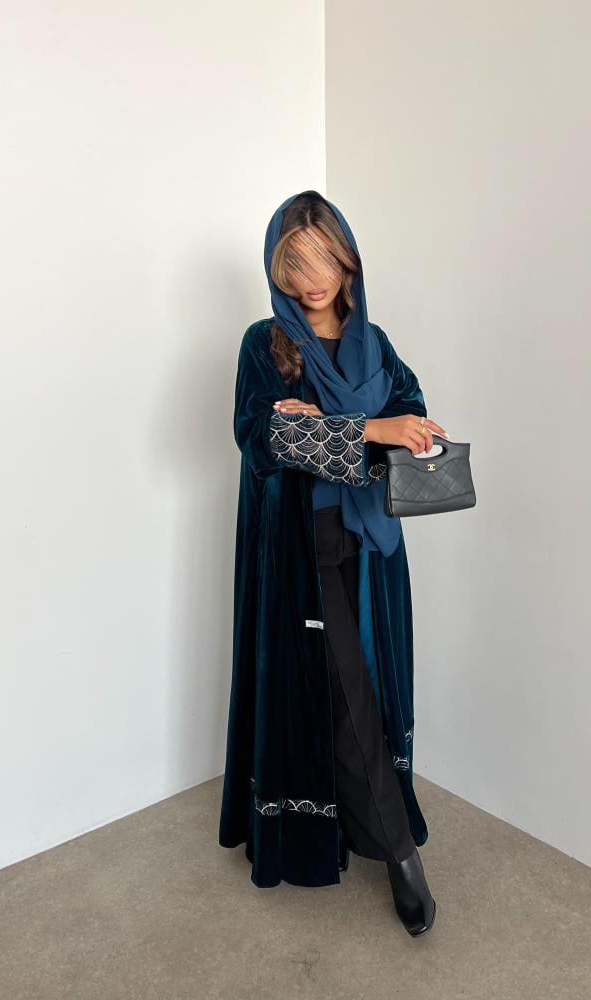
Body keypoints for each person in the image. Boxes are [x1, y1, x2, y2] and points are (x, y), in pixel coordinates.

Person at [218, 190, 446, 936]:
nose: (311, 279)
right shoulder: (265, 344)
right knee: (343, 690)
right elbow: (264, 439)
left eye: (323, 259)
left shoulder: (374, 344)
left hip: (371, 546)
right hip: (299, 547)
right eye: (295, 262)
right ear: (276, 269)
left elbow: (409, 417)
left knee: (367, 687)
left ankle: (360, 821)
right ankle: (401, 855)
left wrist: (383, 429)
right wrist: (370, 429)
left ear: (347, 261)